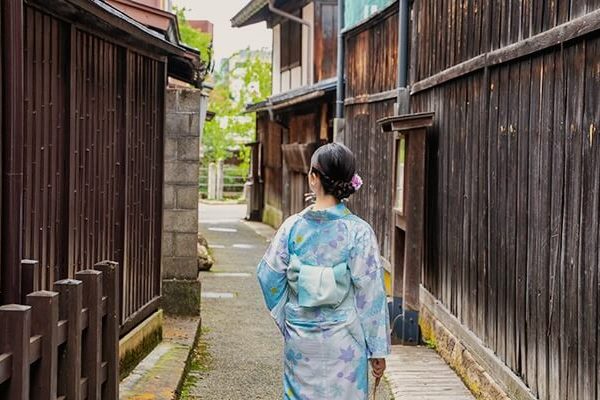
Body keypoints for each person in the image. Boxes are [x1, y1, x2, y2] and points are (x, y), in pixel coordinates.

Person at [256, 142, 391, 399]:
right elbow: (370, 292)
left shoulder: (292, 227)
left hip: (301, 335)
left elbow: (269, 275)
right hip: (346, 337)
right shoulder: (358, 231)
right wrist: (377, 349)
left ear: (313, 178)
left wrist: (288, 314)